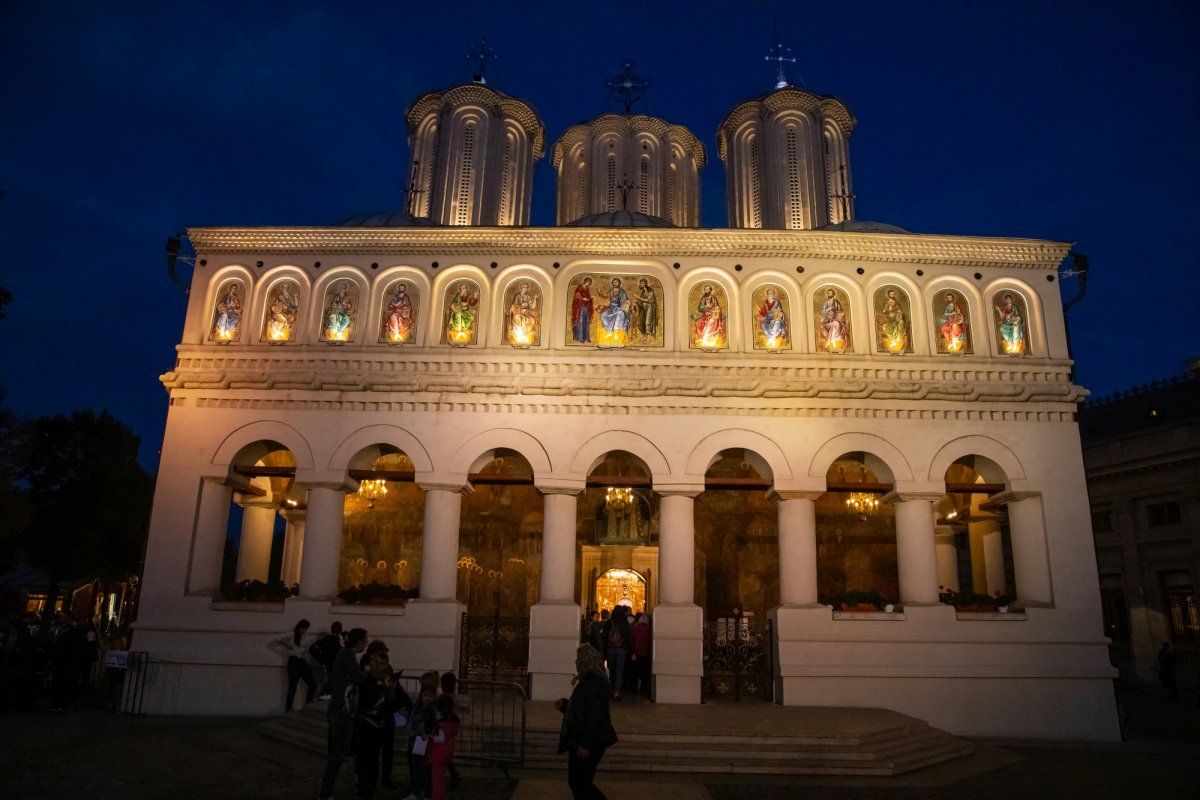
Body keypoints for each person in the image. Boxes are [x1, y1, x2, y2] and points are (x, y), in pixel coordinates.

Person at [556, 644, 618, 800]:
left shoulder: (595, 682)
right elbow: (582, 708)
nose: (576, 662)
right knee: (577, 782)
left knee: (581, 783)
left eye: (579, 658)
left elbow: (594, 716)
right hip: (580, 739)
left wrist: (586, 744)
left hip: (587, 742)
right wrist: (565, 705)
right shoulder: (588, 681)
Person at [319, 627, 369, 800]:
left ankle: (327, 792)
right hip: (342, 711)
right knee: (337, 754)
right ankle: (325, 793)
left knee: (339, 753)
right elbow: (359, 678)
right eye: (365, 640)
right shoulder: (347, 655)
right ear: (359, 641)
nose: (367, 643)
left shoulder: (344, 655)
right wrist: (367, 671)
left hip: (340, 710)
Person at [271, 619, 316, 712]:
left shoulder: (304, 637)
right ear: (299, 627)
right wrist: (286, 645)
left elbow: (305, 648)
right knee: (292, 687)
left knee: (312, 683)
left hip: (302, 661)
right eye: (303, 629)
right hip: (293, 661)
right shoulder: (292, 634)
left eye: (306, 629)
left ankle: (308, 705)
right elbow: (276, 638)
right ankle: (288, 708)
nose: (304, 631)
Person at [426, 693, 461, 800]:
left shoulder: (442, 723)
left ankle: (437, 797)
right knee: (440, 779)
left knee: (436, 780)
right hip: (447, 751)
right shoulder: (453, 720)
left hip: (439, 753)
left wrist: (430, 736)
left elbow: (441, 738)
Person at [599, 605, 632, 701]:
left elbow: (603, 635)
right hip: (621, 649)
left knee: (611, 670)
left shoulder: (609, 622)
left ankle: (610, 689)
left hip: (610, 649)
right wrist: (632, 651)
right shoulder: (624, 623)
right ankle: (616, 692)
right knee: (619, 670)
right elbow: (629, 637)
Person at [308, 620, 343, 699]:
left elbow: (312, 649)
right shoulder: (336, 641)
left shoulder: (326, 639)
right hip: (334, 664)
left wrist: (321, 659)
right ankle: (323, 694)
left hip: (329, 664)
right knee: (331, 681)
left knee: (330, 680)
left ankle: (323, 694)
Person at [630, 612, 651, 697]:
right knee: (644, 671)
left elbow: (632, 638)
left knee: (635, 670)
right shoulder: (649, 628)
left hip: (636, 651)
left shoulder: (635, 626)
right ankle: (644, 688)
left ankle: (633, 687)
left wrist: (632, 652)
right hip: (646, 652)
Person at [571, 277, 594, 343]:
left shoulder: (587, 289)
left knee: (586, 321)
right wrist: (582, 298)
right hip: (580, 306)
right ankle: (579, 337)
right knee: (580, 321)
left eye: (589, 283)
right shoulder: (579, 288)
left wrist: (590, 298)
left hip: (586, 306)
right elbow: (577, 296)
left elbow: (588, 297)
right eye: (588, 282)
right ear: (585, 281)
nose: (588, 283)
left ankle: (586, 337)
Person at [634, 278, 658, 342]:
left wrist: (638, 297)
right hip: (644, 308)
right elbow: (642, 302)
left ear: (645, 284)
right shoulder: (643, 291)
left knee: (648, 322)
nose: (640, 284)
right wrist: (637, 302)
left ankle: (648, 338)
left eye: (642, 283)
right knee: (641, 322)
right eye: (640, 283)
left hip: (650, 307)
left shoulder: (650, 291)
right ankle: (644, 336)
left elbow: (648, 300)